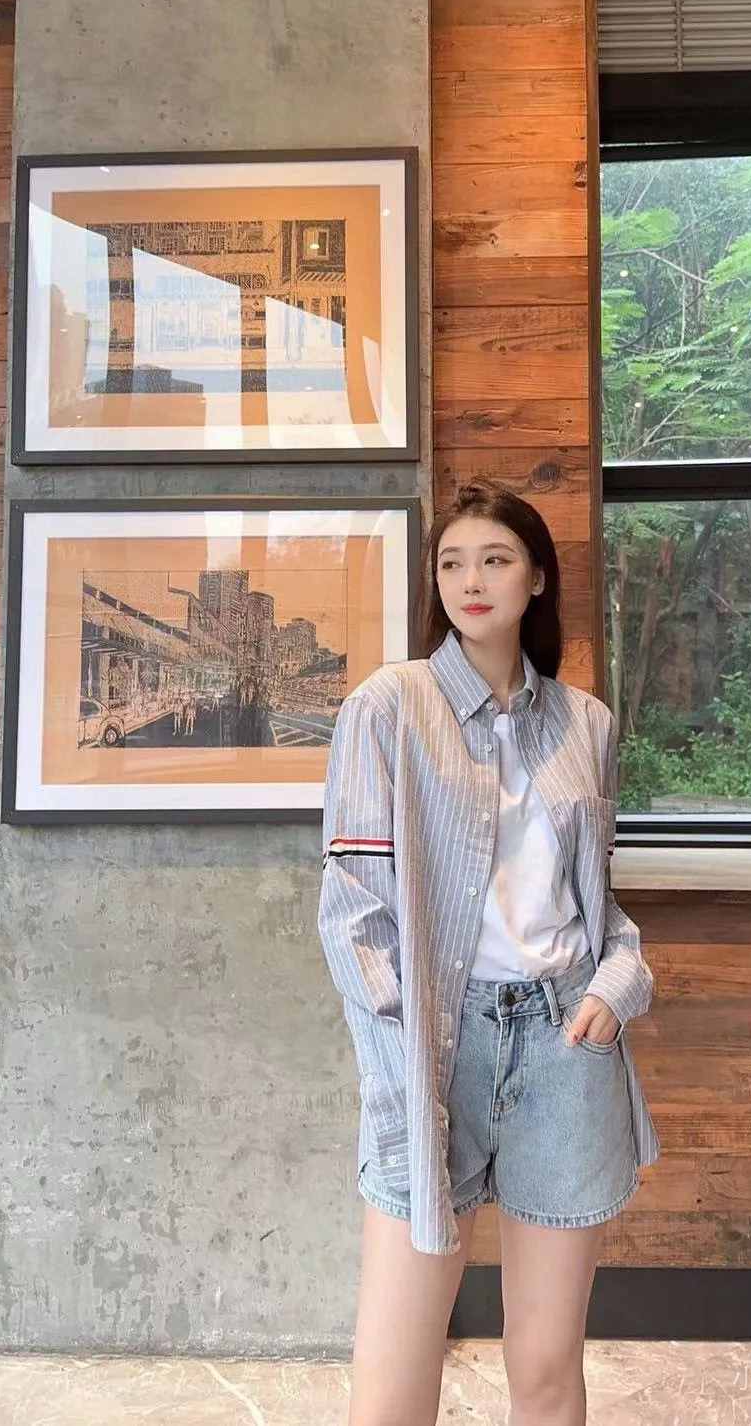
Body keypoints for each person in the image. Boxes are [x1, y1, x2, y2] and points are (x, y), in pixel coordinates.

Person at [317, 477, 661, 1426]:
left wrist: (616, 987)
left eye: (496, 560)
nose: (471, 581)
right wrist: (398, 1072)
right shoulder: (388, 708)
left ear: (536, 577)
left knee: (548, 1368)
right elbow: (352, 915)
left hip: (567, 1047)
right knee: (393, 1379)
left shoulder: (587, 725)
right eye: (452, 563)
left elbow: (599, 910)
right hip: (436, 1049)